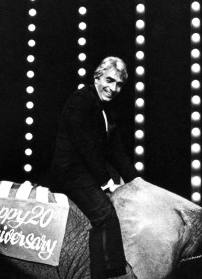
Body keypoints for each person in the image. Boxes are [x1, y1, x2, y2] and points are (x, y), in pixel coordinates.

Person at [50, 56, 138, 279]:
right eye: (109, 80)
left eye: (118, 84)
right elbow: (84, 145)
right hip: (70, 173)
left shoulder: (108, 110)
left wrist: (136, 182)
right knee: (105, 216)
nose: (113, 88)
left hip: (87, 172)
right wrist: (105, 180)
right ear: (97, 77)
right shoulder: (81, 100)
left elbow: (116, 151)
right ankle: (108, 275)